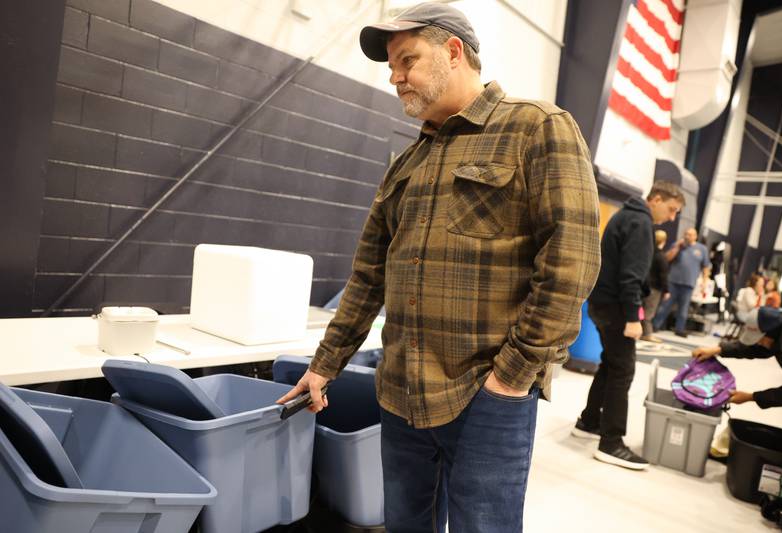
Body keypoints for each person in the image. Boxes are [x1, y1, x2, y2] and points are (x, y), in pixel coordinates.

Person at [276, 3, 602, 532]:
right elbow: (367, 277)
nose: (396, 77)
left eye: (407, 60)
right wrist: (325, 363)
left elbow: (571, 264)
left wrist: (512, 377)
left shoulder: (536, 129)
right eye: (391, 69)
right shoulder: (407, 164)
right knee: (404, 524)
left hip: (487, 394)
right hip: (400, 389)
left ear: (454, 52)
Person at [572, 181, 684, 470]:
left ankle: (589, 421)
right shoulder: (639, 222)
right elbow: (631, 275)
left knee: (610, 365)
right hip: (617, 308)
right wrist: (634, 317)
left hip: (602, 303)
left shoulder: (625, 214)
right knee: (623, 370)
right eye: (671, 209)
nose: (672, 218)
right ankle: (611, 443)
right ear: (656, 199)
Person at [692, 307, 782, 408]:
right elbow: (755, 349)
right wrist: (718, 350)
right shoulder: (779, 330)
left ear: (771, 333)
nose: (758, 343)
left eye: (760, 340)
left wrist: (751, 397)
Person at [652, 227, 711, 337]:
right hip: (673, 281)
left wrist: (704, 282)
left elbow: (706, 267)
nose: (687, 236)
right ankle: (655, 325)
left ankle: (679, 329)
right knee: (665, 306)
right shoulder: (677, 245)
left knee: (683, 309)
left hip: (688, 283)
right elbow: (667, 259)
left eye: (690, 234)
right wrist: (677, 247)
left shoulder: (702, 249)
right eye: (686, 234)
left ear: (695, 236)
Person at [642, 229, 669, 343]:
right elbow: (663, 275)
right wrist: (666, 290)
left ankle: (642, 331)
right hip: (655, 287)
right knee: (649, 312)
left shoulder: (647, 252)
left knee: (642, 309)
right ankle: (647, 334)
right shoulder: (661, 256)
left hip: (643, 284)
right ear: (664, 241)